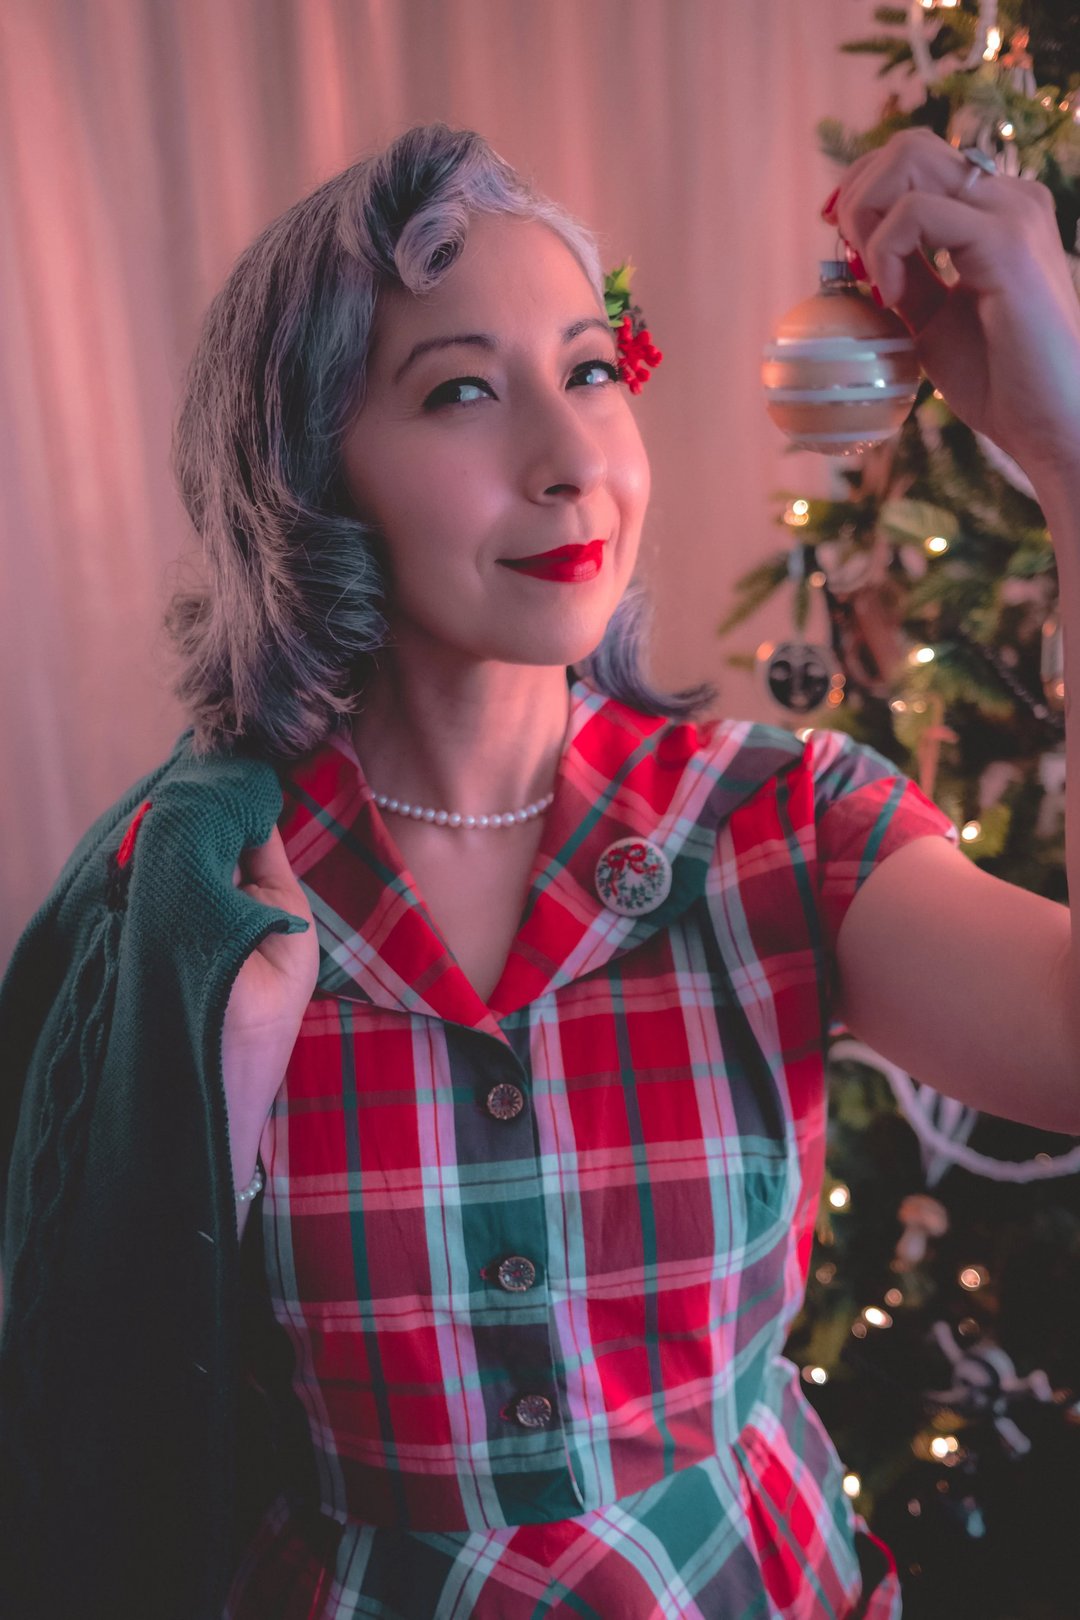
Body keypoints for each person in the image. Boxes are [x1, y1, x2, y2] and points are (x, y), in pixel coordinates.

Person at [2, 120, 1079, 1620]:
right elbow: (87, 1406)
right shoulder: (197, 893)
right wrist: (210, 1073)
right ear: (310, 474)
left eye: (587, 370)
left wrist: (1067, 446)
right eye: (460, 391)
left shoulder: (786, 825)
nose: (574, 462)